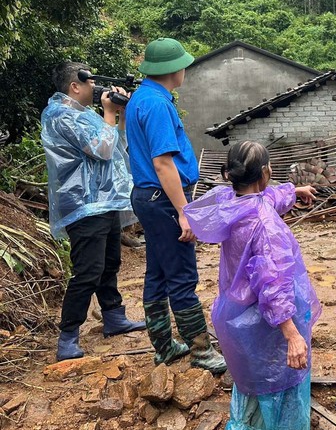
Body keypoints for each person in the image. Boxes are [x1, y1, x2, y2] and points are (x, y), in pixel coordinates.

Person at [184, 141, 323, 430]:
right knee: (285, 390)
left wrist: (295, 191)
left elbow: (269, 198)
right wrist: (291, 333)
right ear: (265, 173)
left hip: (235, 323)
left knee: (247, 387)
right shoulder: (265, 226)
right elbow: (273, 285)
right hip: (267, 326)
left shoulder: (233, 204)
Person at [124, 38, 225, 373]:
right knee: (182, 275)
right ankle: (200, 351)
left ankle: (165, 347)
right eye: (183, 64)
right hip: (164, 198)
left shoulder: (141, 98)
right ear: (172, 69)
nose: (185, 69)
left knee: (157, 271)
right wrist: (184, 211)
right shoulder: (157, 105)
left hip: (146, 197)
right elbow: (163, 164)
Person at [41, 61, 146, 361]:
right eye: (89, 82)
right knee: (87, 271)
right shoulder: (60, 116)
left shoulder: (84, 115)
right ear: (75, 86)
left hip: (103, 201)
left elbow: (115, 147)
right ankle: (68, 336)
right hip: (82, 204)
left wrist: (119, 117)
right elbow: (100, 149)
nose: (94, 87)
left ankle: (113, 317)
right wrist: (110, 114)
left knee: (110, 262)